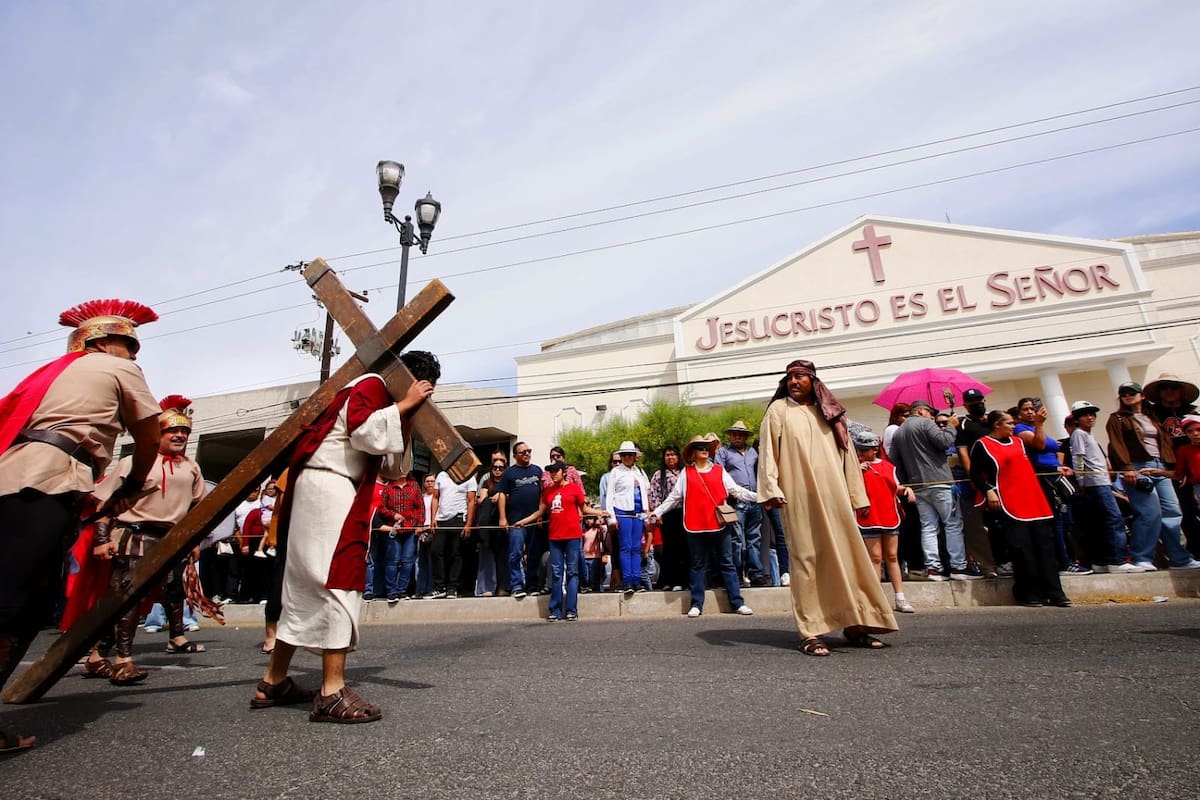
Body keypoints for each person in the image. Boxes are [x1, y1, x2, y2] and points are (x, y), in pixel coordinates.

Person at [0, 298, 162, 753]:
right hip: (44, 480)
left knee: (23, 601)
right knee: (16, 604)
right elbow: (147, 431)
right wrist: (133, 480)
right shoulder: (116, 368)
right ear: (100, 343)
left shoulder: (52, 376)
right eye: (128, 343)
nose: (134, 353)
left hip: (17, 477)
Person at [253, 351, 439, 725]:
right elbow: (364, 432)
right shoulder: (370, 385)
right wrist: (404, 404)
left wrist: (403, 414)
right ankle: (331, 691)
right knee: (337, 578)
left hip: (331, 486)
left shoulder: (383, 399)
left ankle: (273, 680)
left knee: (308, 586)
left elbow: (392, 466)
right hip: (329, 484)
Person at [757, 360, 898, 656]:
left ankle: (856, 623)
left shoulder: (831, 413)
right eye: (790, 377)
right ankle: (811, 631)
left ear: (813, 381)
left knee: (848, 557)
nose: (794, 381)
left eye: (800, 377)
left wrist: (857, 495)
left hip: (836, 497)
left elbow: (847, 454)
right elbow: (768, 450)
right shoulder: (778, 410)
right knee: (807, 560)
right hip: (798, 497)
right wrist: (771, 488)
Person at [76, 394, 208, 685]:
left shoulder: (191, 468)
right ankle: (124, 661)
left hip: (170, 540)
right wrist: (101, 539)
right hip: (134, 536)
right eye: (172, 430)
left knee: (161, 595)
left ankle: (97, 656)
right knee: (127, 598)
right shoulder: (134, 463)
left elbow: (196, 508)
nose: (180, 435)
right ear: (157, 434)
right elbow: (104, 506)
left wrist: (193, 541)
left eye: (184, 431)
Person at [969, 410, 1072, 607]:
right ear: (996, 425)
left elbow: (1034, 460)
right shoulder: (983, 445)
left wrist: (1055, 468)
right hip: (1009, 502)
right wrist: (988, 491)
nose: (1013, 426)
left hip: (1034, 499)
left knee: (1045, 548)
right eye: (1009, 423)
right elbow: (975, 474)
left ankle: (1055, 592)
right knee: (1022, 550)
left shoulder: (1018, 442)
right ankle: (1029, 593)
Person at [647, 434, 757, 618]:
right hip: (695, 525)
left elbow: (737, 491)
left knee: (727, 563)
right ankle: (697, 603)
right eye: (700, 447)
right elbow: (674, 498)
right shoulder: (686, 473)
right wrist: (657, 512)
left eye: (706, 447)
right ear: (693, 453)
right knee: (697, 565)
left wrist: (760, 496)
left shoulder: (720, 471)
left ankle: (737, 602)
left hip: (719, 524)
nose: (704, 450)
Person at [1105, 382, 1200, 571]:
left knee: (1173, 511)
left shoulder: (1152, 416)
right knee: (1149, 513)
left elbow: (1166, 441)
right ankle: (1142, 558)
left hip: (1160, 466)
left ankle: (1179, 559)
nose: (1127, 395)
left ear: (1141, 395)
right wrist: (1126, 468)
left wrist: (1172, 468)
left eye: (1132, 392)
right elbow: (1116, 444)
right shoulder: (1117, 418)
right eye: (1123, 393)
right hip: (1138, 467)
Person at [889, 400, 976, 581]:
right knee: (952, 524)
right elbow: (944, 442)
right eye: (930, 413)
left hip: (917, 485)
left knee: (928, 527)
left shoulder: (899, 432)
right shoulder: (926, 423)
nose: (933, 417)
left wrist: (908, 482)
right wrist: (951, 427)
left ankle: (933, 568)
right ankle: (958, 567)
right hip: (940, 481)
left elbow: (895, 462)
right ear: (921, 411)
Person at [513, 462, 608, 620]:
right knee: (557, 574)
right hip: (555, 537)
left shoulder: (574, 488)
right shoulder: (548, 491)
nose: (553, 474)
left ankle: (571, 610)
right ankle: (555, 610)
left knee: (572, 572)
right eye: (550, 471)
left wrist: (600, 512)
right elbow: (540, 512)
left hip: (572, 536)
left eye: (555, 471)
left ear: (564, 472)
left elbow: (584, 509)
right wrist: (523, 521)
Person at [1068, 401, 1141, 573]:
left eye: (1092, 414)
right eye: (1085, 414)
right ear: (1077, 419)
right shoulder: (1079, 434)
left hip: (1102, 481)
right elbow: (1078, 458)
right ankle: (1118, 560)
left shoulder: (1087, 434)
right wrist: (1080, 480)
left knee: (1102, 522)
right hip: (1095, 482)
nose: (1090, 417)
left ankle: (1102, 561)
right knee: (1114, 518)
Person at [852, 428, 915, 613]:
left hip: (888, 515)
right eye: (860, 450)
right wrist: (856, 470)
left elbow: (895, 487)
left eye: (866, 450)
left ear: (875, 449)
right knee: (875, 557)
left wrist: (906, 490)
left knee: (892, 556)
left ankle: (900, 597)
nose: (862, 454)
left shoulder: (889, 467)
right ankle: (876, 599)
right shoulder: (854, 468)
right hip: (868, 516)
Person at [714, 420, 770, 587]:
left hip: (754, 501)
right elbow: (719, 475)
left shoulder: (753, 452)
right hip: (736, 501)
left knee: (754, 538)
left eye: (741, 434)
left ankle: (756, 574)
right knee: (737, 540)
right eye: (734, 434)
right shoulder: (723, 453)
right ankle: (736, 574)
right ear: (730, 436)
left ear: (746, 437)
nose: (737, 437)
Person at [605, 441, 652, 596]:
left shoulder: (640, 472)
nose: (627, 458)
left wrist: (646, 514)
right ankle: (627, 581)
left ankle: (637, 580)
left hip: (638, 513)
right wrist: (611, 518)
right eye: (624, 455)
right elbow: (609, 496)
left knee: (636, 547)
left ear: (635, 456)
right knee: (625, 547)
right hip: (622, 512)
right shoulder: (616, 472)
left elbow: (645, 493)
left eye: (630, 455)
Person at [497, 442, 543, 599]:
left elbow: (543, 494)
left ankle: (532, 585)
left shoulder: (537, 470)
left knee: (534, 554)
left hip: (535, 521)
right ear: (515, 455)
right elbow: (502, 495)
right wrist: (502, 517)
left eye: (529, 451)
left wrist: (541, 514)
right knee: (515, 554)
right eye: (523, 452)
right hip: (516, 522)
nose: (527, 454)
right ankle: (517, 585)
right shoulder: (509, 473)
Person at [431, 468, 477, 599]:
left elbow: (471, 501)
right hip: (441, 519)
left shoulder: (469, 477)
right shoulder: (441, 475)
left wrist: (468, 524)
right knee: (436, 551)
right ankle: (439, 587)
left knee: (456, 554)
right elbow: (435, 497)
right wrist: (433, 518)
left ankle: (452, 587)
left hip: (458, 518)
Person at [647, 445, 687, 591]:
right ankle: (672, 580)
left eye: (673, 454)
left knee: (684, 547)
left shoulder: (685, 472)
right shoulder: (659, 474)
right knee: (670, 548)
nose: (670, 457)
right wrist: (658, 513)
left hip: (685, 513)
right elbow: (654, 495)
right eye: (667, 455)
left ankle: (684, 581)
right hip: (668, 514)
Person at [474, 452, 509, 596]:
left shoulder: (508, 481)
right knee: (486, 556)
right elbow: (481, 499)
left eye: (501, 467)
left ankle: (503, 587)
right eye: (495, 467)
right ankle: (487, 588)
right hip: (488, 524)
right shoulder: (485, 480)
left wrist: (499, 496)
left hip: (502, 523)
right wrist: (495, 497)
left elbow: (509, 496)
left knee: (503, 556)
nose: (498, 470)